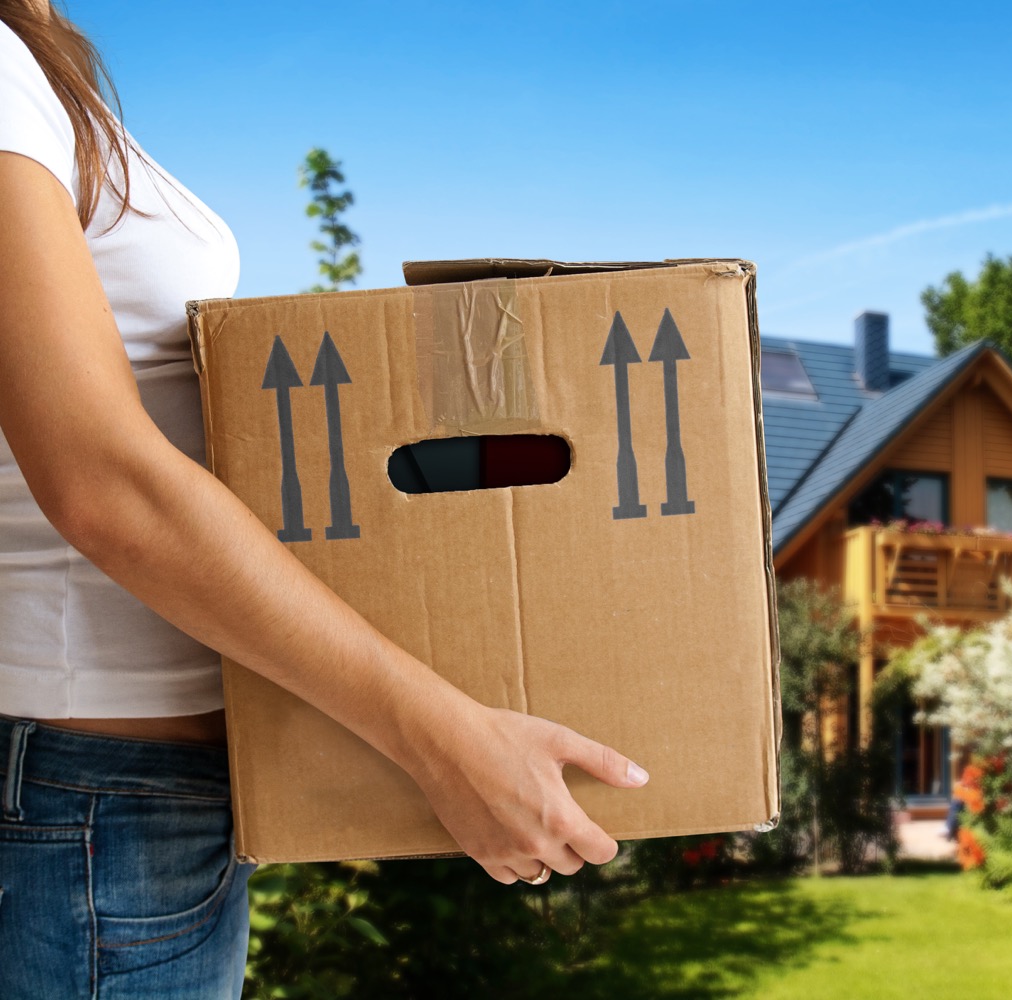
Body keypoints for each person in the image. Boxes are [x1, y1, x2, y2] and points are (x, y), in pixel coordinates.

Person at [0, 3, 647, 995]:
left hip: (134, 802)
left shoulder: (47, 67)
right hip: (88, 801)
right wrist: (444, 737)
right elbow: (101, 482)